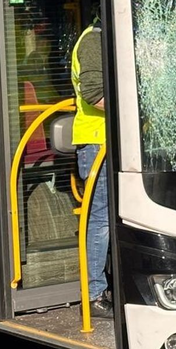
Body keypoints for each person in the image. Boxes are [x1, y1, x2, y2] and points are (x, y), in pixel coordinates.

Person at [71, 16, 112, 318]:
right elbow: (94, 94)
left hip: (115, 141)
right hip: (97, 141)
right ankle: (95, 293)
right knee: (100, 219)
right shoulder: (93, 40)